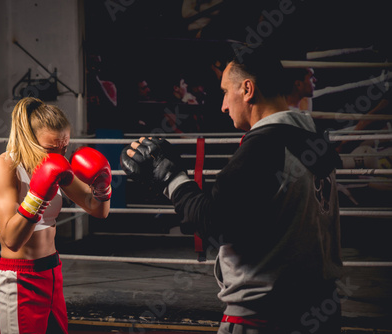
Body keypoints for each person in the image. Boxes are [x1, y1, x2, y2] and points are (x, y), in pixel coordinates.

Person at [121, 47, 343, 333]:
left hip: (265, 317)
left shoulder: (264, 146)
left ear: (248, 89)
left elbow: (215, 224)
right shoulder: (312, 137)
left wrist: (171, 178)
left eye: (226, 92)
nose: (223, 105)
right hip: (321, 310)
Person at [0, 97, 111, 334]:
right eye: (51, 149)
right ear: (28, 140)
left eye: (64, 147)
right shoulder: (3, 167)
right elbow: (11, 240)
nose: (59, 154)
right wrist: (38, 196)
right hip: (19, 279)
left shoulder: (57, 165)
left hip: (52, 273)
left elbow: (98, 210)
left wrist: (102, 186)